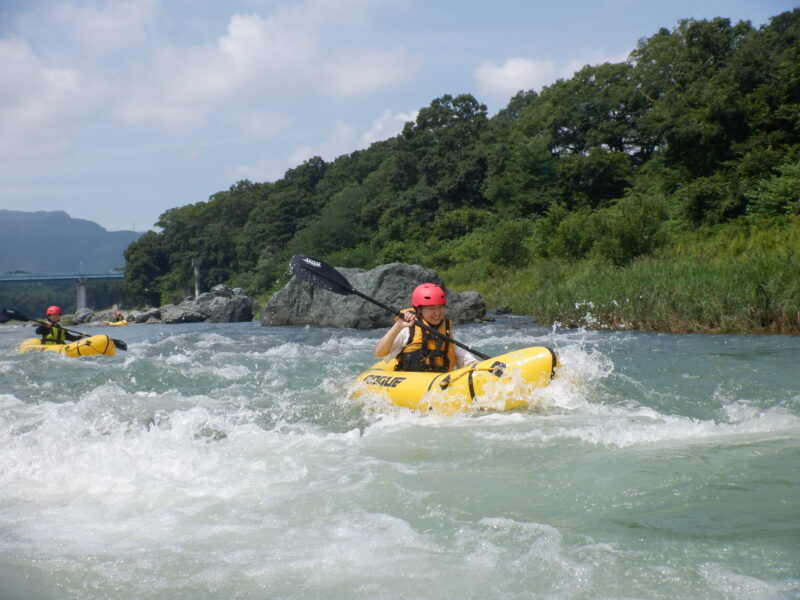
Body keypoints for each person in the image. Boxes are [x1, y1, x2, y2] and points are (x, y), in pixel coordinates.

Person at [374, 283, 478, 372]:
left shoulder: (446, 331)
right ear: (419, 310)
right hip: (412, 384)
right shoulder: (408, 329)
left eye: (440, 307)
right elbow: (379, 353)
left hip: (438, 383)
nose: (437, 313)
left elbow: (465, 359)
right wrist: (398, 326)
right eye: (432, 308)